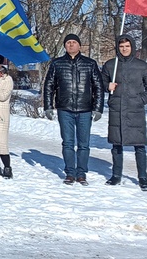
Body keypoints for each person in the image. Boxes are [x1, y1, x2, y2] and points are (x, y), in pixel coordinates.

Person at [42, 33, 103, 185]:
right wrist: (48, 107)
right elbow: (49, 86)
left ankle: (81, 173)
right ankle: (70, 173)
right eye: (68, 42)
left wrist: (98, 108)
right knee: (68, 143)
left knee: (83, 144)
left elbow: (98, 87)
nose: (71, 45)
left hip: (85, 109)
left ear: (79, 45)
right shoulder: (57, 63)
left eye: (74, 42)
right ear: (64, 45)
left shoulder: (90, 64)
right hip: (65, 109)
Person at [102, 34, 147, 191]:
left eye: (127, 46)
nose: (124, 49)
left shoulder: (142, 66)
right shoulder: (110, 65)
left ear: (132, 47)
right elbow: (100, 82)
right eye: (121, 46)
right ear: (117, 48)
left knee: (139, 146)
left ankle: (143, 178)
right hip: (117, 109)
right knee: (116, 145)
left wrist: (140, 101)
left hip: (135, 110)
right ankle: (116, 175)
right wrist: (108, 86)